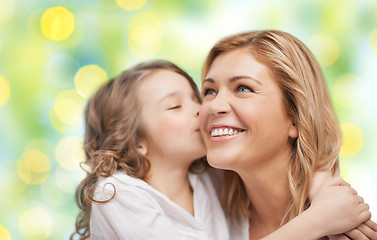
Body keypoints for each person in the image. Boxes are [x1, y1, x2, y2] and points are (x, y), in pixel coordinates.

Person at [71, 59, 373, 240]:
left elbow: (287, 157)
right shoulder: (117, 193)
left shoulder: (209, 176)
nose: (203, 110)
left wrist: (321, 187)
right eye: (176, 106)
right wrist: (317, 220)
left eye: (197, 98)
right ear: (136, 139)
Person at [199, 30, 377, 240]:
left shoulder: (348, 228)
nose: (214, 106)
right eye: (210, 91)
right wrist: (316, 220)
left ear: (296, 117)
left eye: (243, 88)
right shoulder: (202, 212)